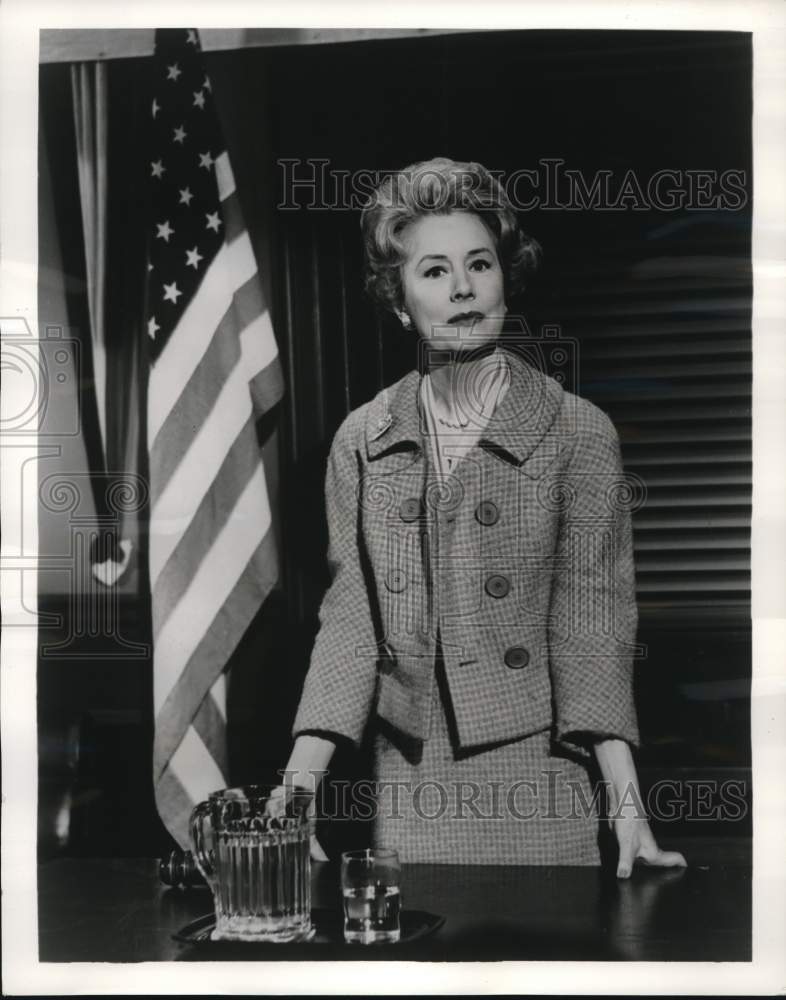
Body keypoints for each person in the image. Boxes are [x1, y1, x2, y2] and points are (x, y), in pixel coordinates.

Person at [282, 157, 686, 876]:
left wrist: (627, 803)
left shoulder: (578, 431)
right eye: (434, 271)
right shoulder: (363, 439)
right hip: (410, 775)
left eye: (480, 263)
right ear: (400, 302)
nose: (464, 287)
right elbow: (351, 618)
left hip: (539, 772)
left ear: (506, 278)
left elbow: (593, 622)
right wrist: (302, 779)